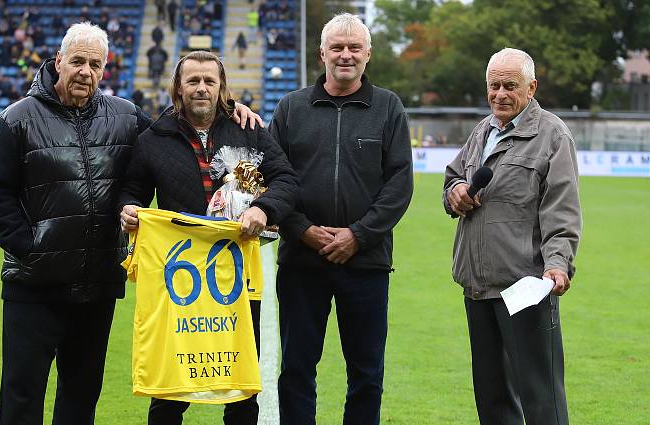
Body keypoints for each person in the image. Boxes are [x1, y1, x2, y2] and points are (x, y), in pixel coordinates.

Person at [0, 22, 154, 425]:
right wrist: (30, 247)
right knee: (21, 397)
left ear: (104, 70)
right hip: (33, 286)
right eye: (77, 61)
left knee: (81, 398)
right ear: (59, 61)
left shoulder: (126, 118)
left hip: (97, 285)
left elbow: (173, 141)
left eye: (95, 64)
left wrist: (232, 109)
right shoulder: (17, 119)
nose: (85, 72)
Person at [118, 50, 298, 425]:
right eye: (193, 81)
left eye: (209, 82)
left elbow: (286, 179)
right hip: (180, 275)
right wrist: (129, 209)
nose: (201, 88)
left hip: (237, 275)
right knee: (170, 388)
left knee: (241, 385)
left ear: (221, 88)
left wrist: (263, 209)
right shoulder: (154, 138)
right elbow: (131, 189)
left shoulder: (248, 129)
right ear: (178, 89)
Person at [269, 13, 413, 425]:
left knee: (366, 375)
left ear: (368, 54)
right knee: (296, 369)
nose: (345, 55)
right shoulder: (291, 107)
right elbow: (273, 180)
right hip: (301, 262)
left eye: (354, 47)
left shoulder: (388, 107)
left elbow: (399, 184)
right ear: (322, 53)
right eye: (337, 47)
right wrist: (304, 231)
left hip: (366, 264)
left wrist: (358, 235)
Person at [443, 47, 581, 425]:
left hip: (525, 287)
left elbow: (562, 209)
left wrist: (557, 263)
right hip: (477, 286)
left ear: (531, 87)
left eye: (510, 86)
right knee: (492, 402)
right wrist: (454, 191)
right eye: (493, 86)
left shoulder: (552, 135)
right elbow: (453, 176)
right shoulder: (482, 130)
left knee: (542, 401)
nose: (500, 94)